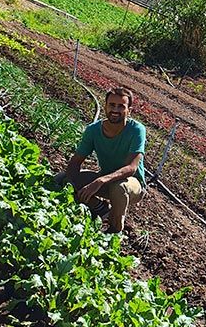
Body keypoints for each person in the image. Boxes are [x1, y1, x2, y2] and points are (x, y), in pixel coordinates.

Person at [58, 86, 147, 233]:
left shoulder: (136, 130)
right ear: (105, 106)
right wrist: (72, 182)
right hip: (106, 180)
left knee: (119, 187)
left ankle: (114, 230)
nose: (115, 110)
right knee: (63, 178)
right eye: (112, 105)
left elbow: (131, 168)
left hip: (132, 184)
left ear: (129, 110)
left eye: (121, 106)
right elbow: (75, 162)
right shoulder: (93, 130)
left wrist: (100, 181)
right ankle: (100, 208)